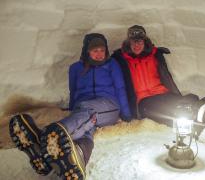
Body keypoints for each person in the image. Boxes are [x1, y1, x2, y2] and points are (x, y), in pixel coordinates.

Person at [9, 33, 132, 180]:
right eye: (95, 50)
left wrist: (126, 113)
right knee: (87, 128)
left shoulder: (112, 64)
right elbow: (73, 91)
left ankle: (45, 139)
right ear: (87, 51)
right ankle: (77, 156)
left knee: (87, 111)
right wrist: (74, 112)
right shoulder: (75, 68)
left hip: (108, 106)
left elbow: (120, 89)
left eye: (102, 50)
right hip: (83, 109)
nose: (99, 54)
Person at [112, 25, 205, 155]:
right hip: (144, 102)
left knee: (190, 103)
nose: (137, 45)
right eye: (134, 42)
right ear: (129, 43)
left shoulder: (154, 55)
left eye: (140, 42)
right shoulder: (122, 60)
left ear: (145, 42)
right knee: (177, 113)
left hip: (162, 92)